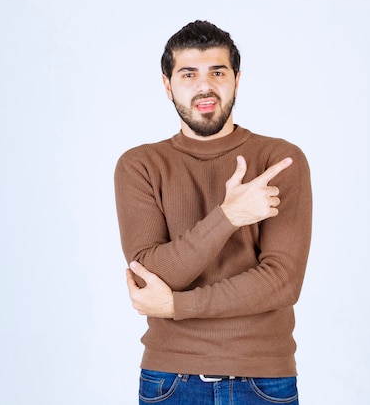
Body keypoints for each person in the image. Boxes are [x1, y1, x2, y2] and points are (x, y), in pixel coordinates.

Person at [114, 20, 312, 404]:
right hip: (170, 380)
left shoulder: (279, 160)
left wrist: (176, 305)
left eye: (217, 72)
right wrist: (229, 216)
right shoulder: (140, 165)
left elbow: (283, 282)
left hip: (264, 381)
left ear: (237, 79)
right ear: (167, 86)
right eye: (188, 74)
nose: (204, 86)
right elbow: (150, 273)